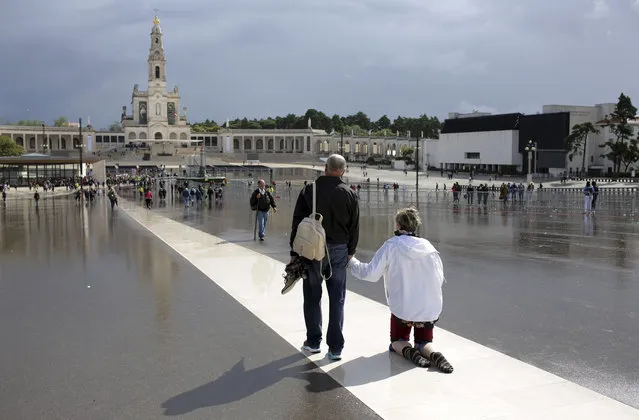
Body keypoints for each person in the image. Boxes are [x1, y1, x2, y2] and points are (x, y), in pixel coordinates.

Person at [348, 208, 453, 372]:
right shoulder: (429, 247)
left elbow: (370, 273)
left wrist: (351, 261)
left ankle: (409, 352)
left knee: (397, 340)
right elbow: (439, 278)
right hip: (429, 309)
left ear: (397, 225)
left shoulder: (391, 245)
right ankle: (433, 354)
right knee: (424, 342)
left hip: (403, 309)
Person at [288, 154, 359, 361]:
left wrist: (294, 253)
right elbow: (355, 226)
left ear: (325, 168)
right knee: (337, 298)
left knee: (312, 295)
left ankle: (313, 342)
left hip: (312, 250)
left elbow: (297, 222)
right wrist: (351, 251)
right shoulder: (349, 193)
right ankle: (335, 348)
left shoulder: (310, 190)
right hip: (339, 250)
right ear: (343, 171)